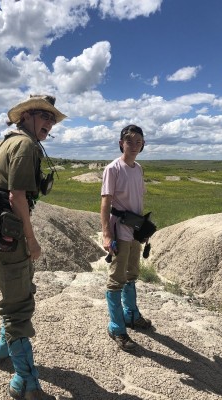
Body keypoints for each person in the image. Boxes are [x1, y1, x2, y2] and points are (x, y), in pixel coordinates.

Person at [0, 94, 67, 400]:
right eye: (43, 116)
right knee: (19, 304)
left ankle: (2, 350)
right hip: (7, 235)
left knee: (15, 292)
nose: (49, 122)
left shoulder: (6, 141)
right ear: (25, 117)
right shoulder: (24, 145)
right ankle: (25, 381)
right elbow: (17, 197)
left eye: (51, 118)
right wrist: (32, 240)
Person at [100, 124, 153, 352]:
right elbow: (106, 202)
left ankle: (131, 314)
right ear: (121, 143)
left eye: (138, 141)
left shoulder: (138, 168)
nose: (134, 145)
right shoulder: (113, 168)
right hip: (120, 229)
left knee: (132, 273)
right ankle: (116, 326)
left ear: (143, 145)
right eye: (129, 141)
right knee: (116, 278)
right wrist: (106, 233)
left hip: (135, 230)